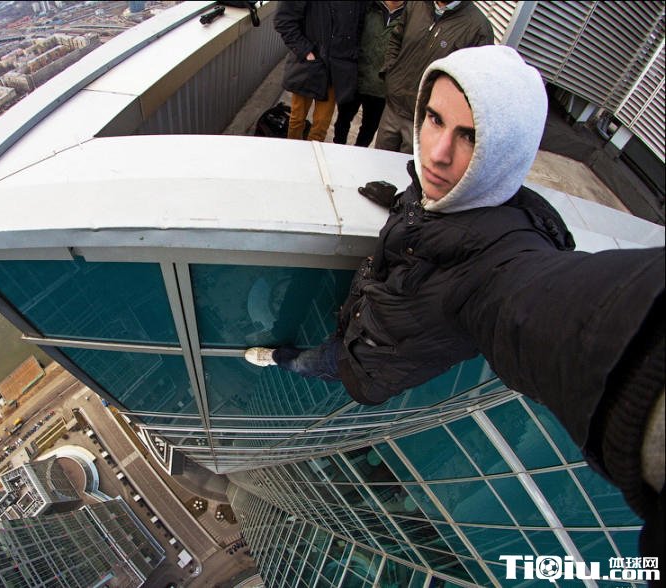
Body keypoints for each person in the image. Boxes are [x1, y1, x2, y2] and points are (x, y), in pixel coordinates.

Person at [245, 45, 664, 558]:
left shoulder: (500, 262)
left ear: (504, 155)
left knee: (310, 363)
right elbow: (432, 209)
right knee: (326, 350)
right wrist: (403, 203)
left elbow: (558, 311)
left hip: (367, 368)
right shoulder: (435, 190)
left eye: (470, 137)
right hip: (359, 320)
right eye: (434, 119)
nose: (438, 153)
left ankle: (280, 357)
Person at [373, 0, 493, 153]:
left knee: (409, 166)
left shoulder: (478, 27)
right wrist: (391, 75)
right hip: (393, 108)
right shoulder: (417, 5)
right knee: (379, 160)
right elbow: (396, 39)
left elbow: (474, 83)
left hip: (426, 121)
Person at [274, 1, 366, 142]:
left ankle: (313, 154)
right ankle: (293, 151)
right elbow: (283, 20)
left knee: (321, 126)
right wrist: (306, 51)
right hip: (308, 66)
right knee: (297, 119)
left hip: (336, 68)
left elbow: (359, 26)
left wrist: (350, 54)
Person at [333, 0, 405, 147]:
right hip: (355, 78)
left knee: (369, 130)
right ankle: (337, 150)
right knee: (342, 122)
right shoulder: (368, 6)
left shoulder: (409, 14)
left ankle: (359, 155)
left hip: (381, 87)